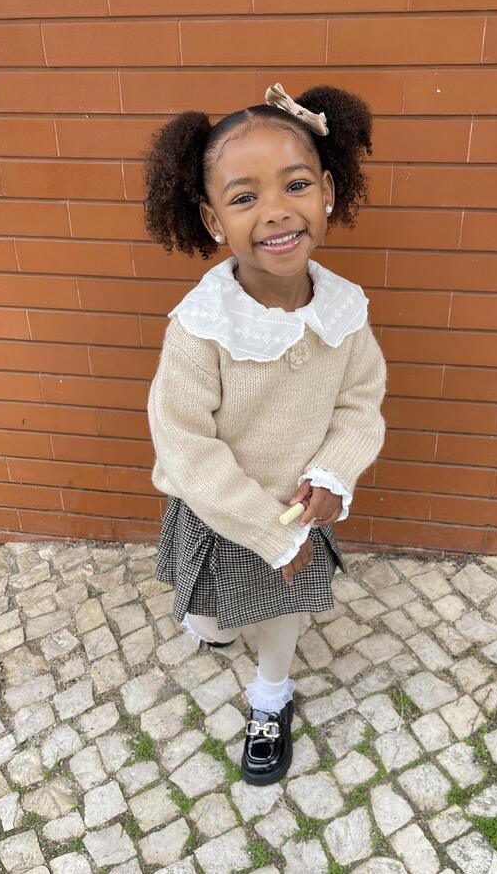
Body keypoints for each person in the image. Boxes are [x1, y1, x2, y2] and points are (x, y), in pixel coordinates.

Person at [144, 82, 387, 786]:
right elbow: (185, 444)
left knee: (283, 615)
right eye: (245, 197)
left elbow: (360, 402)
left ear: (329, 192)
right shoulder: (201, 328)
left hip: (297, 511)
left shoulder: (344, 309)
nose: (276, 211)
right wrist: (260, 528)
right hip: (224, 510)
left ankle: (271, 695)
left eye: (296, 185)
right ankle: (213, 628)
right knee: (214, 617)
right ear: (212, 218)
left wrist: (333, 472)